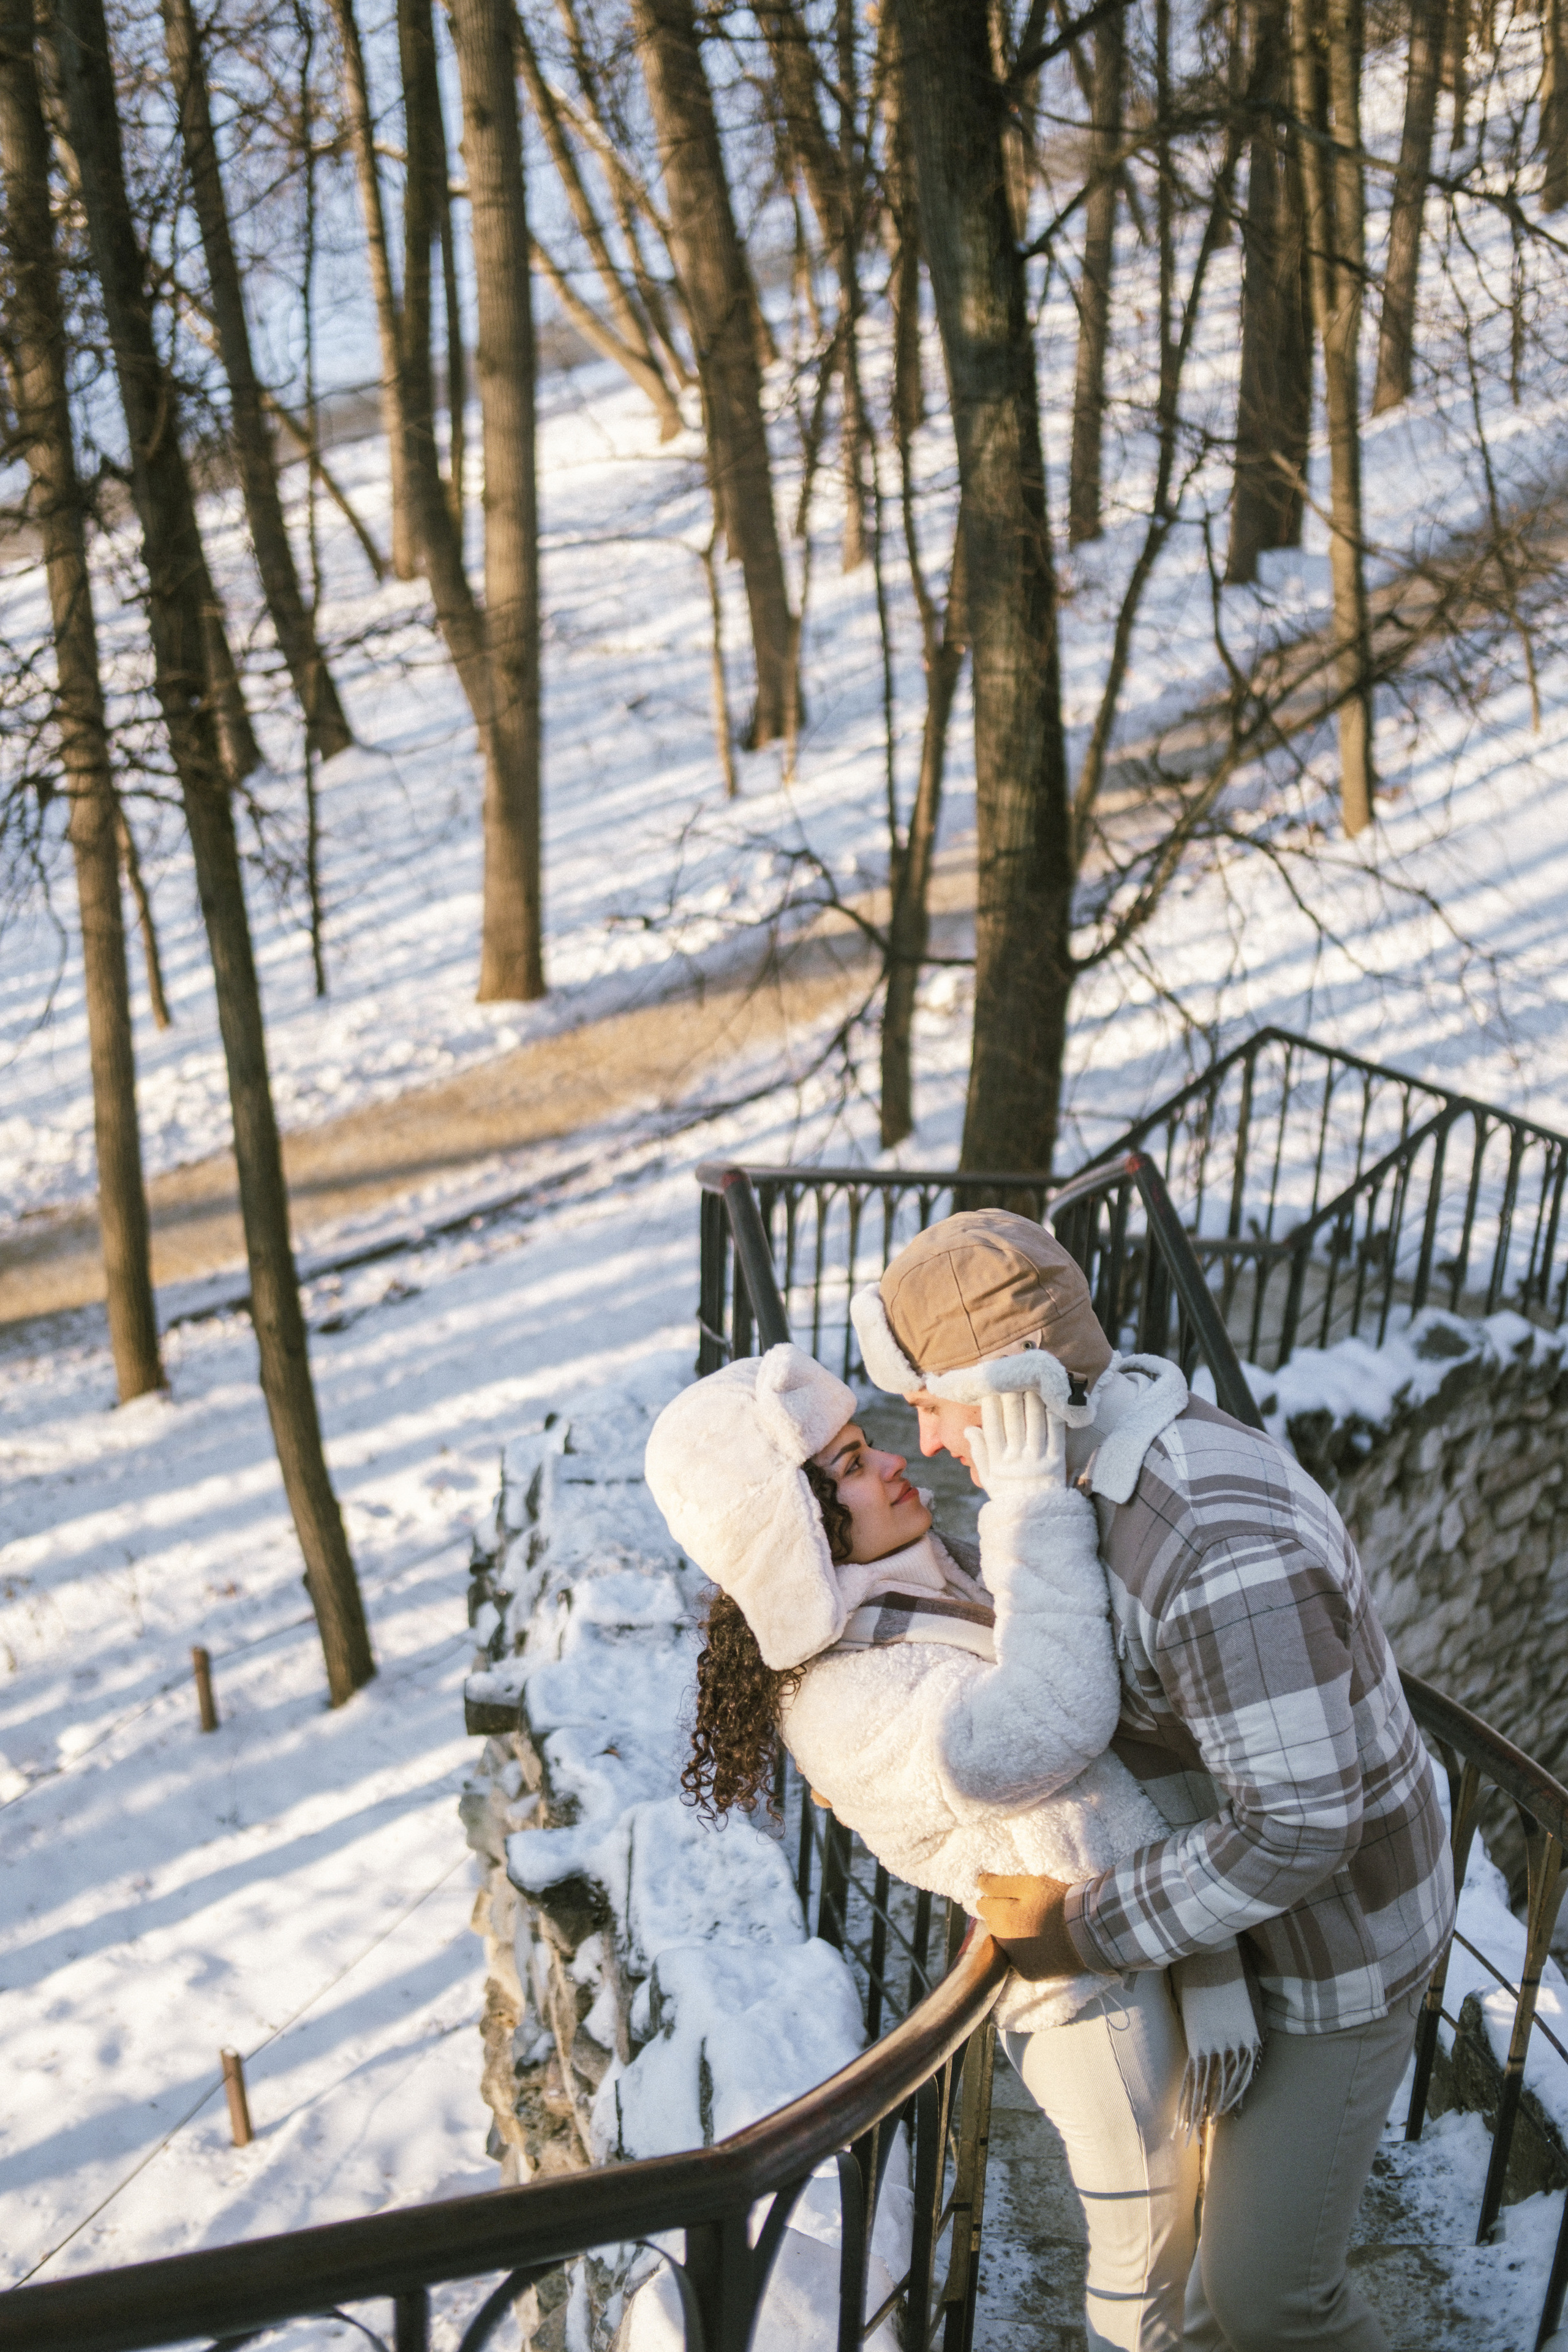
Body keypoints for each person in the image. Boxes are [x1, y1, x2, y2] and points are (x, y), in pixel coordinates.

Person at [850, 1208, 1457, 2352]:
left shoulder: (1213, 1548)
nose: (926, 1442)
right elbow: (1067, 1664)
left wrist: (1079, 1929)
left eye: (932, 1403)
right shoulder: (1072, 1466)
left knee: (1273, 2298)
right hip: (1252, 1931)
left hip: (1341, 1943)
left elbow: (1299, 1829)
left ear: (1014, 1383)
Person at [644, 1340, 1261, 2352]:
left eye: (863, 1445)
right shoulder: (840, 1694)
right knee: (1146, 2261)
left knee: (1191, 2244)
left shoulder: (904, 1593)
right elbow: (1056, 1731)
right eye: (848, 1464)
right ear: (788, 1530)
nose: (893, 1461)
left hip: (1130, 1941)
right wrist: (1028, 1509)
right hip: (1089, 2004)